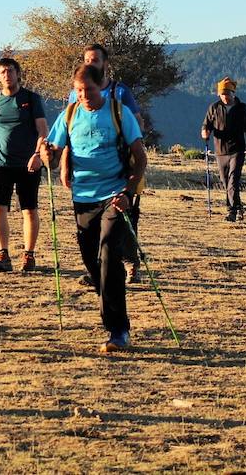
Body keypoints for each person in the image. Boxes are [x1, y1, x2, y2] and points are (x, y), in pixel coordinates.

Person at [45, 64, 148, 353]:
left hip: (115, 195)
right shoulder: (69, 114)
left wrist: (129, 191)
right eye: (78, 91)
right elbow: (51, 158)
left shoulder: (119, 112)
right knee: (93, 263)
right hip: (82, 197)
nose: (83, 95)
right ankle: (113, 314)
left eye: (88, 89)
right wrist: (47, 154)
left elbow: (140, 157)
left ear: (101, 86)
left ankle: (118, 329)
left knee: (108, 255)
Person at [67, 43, 144, 282]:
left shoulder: (120, 93)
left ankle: (130, 263)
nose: (90, 64)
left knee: (124, 219)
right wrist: (64, 161)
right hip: (86, 183)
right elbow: (70, 130)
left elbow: (137, 122)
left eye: (95, 60)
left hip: (121, 172)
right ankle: (101, 270)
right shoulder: (75, 95)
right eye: (87, 59)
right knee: (95, 232)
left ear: (105, 64)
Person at [0, 57, 48, 273]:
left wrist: (37, 155)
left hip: (28, 163)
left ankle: (29, 254)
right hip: (0, 163)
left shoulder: (31, 99)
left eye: (10, 71)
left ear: (18, 73)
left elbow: (43, 129)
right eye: (2, 72)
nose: (6, 75)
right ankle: (3, 254)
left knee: (29, 209)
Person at [201, 77, 246, 222]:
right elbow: (206, 125)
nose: (225, 98)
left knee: (233, 180)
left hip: (238, 149)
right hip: (220, 150)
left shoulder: (242, 108)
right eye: (222, 95)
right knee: (226, 181)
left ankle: (231, 211)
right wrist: (205, 133)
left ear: (233, 93)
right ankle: (238, 207)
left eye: (227, 95)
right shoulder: (214, 108)